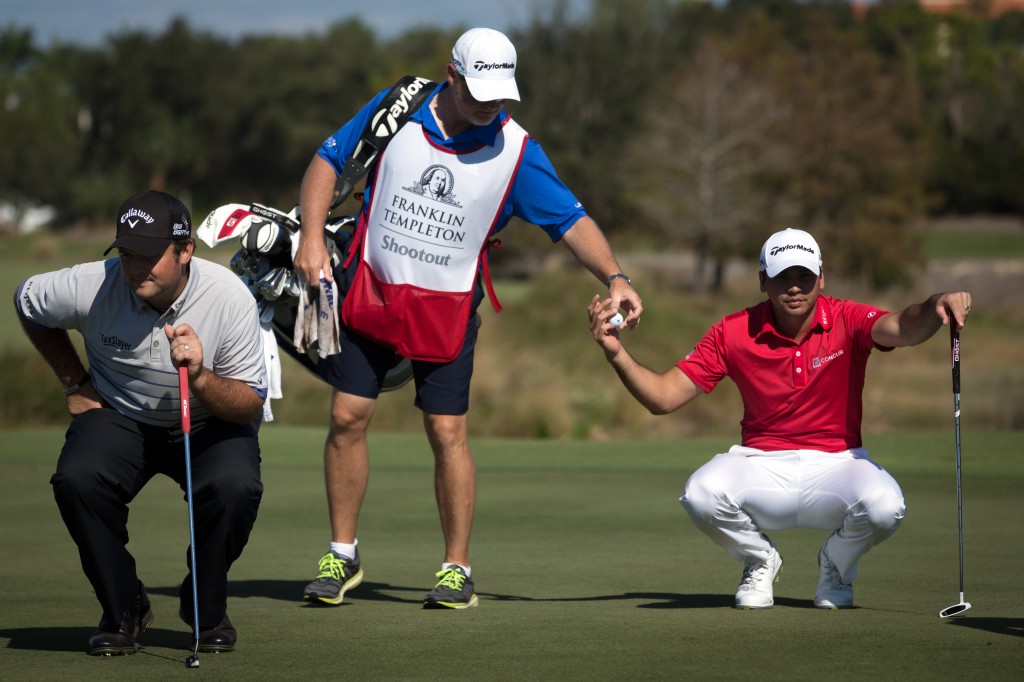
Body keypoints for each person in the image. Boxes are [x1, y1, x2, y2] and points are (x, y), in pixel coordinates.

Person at [294, 27, 643, 609]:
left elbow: (570, 221)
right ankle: (342, 556)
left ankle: (456, 569)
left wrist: (616, 276)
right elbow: (327, 161)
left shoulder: (518, 150)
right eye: (477, 90)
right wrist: (310, 239)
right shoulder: (397, 107)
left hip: (446, 309)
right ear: (450, 75)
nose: (489, 104)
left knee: (447, 431)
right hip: (370, 293)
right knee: (347, 416)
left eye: (499, 94)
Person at [587, 228, 972, 610]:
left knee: (885, 506)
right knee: (700, 493)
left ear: (821, 277)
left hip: (838, 463)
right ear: (762, 281)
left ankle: (835, 564)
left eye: (804, 275)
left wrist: (936, 303)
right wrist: (616, 353)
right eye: (782, 276)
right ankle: (760, 559)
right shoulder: (733, 331)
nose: (795, 287)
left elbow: (903, 326)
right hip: (760, 465)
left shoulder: (846, 318)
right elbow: (663, 397)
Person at [15, 190, 268, 654]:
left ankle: (204, 606)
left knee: (235, 486)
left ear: (185, 250)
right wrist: (75, 382)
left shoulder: (228, 297)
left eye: (150, 256)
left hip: (210, 419)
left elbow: (249, 402)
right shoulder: (89, 283)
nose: (135, 268)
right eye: (128, 254)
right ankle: (124, 608)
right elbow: (26, 303)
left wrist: (202, 377)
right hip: (120, 414)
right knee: (77, 479)